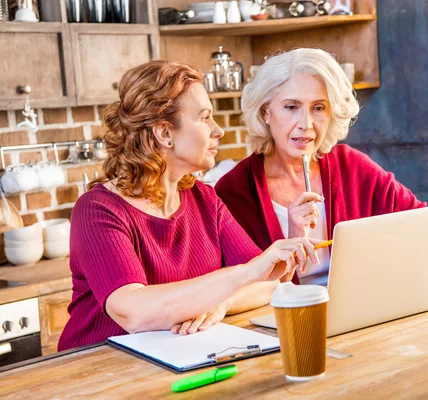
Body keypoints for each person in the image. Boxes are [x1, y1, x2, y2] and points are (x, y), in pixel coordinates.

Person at [58, 61, 318, 351]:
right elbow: (133, 312)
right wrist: (245, 274)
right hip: (97, 370)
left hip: (176, 358)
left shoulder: (205, 199)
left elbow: (266, 284)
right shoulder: (99, 210)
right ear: (164, 133)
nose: (217, 130)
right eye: (205, 117)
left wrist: (222, 304)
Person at [215, 48, 428, 285]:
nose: (306, 123)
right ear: (265, 113)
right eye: (291, 107)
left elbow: (424, 224)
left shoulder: (352, 166)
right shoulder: (233, 192)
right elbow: (236, 291)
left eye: (318, 108)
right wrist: (292, 241)